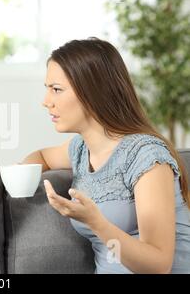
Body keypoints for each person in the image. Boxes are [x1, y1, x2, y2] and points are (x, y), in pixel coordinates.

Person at [22, 38, 190, 274]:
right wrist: (20, 178)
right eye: (47, 88)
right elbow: (42, 156)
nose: (46, 101)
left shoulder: (146, 156)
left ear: (92, 92)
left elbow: (158, 265)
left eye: (56, 89)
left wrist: (96, 223)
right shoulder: (80, 148)